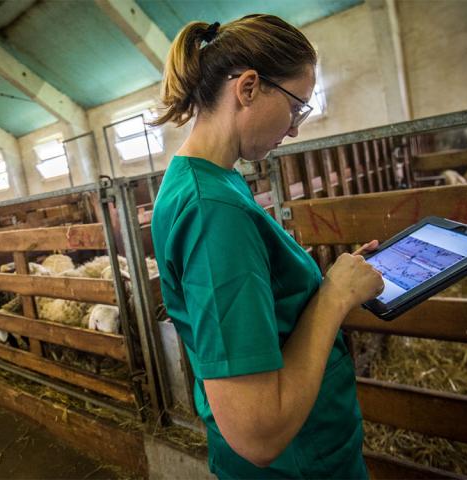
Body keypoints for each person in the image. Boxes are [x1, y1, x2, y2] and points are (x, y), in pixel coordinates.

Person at [150, 14, 385, 479]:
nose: (295, 127)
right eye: (297, 106)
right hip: (292, 466)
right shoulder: (213, 209)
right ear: (249, 88)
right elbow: (256, 433)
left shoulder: (205, 182)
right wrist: (335, 295)